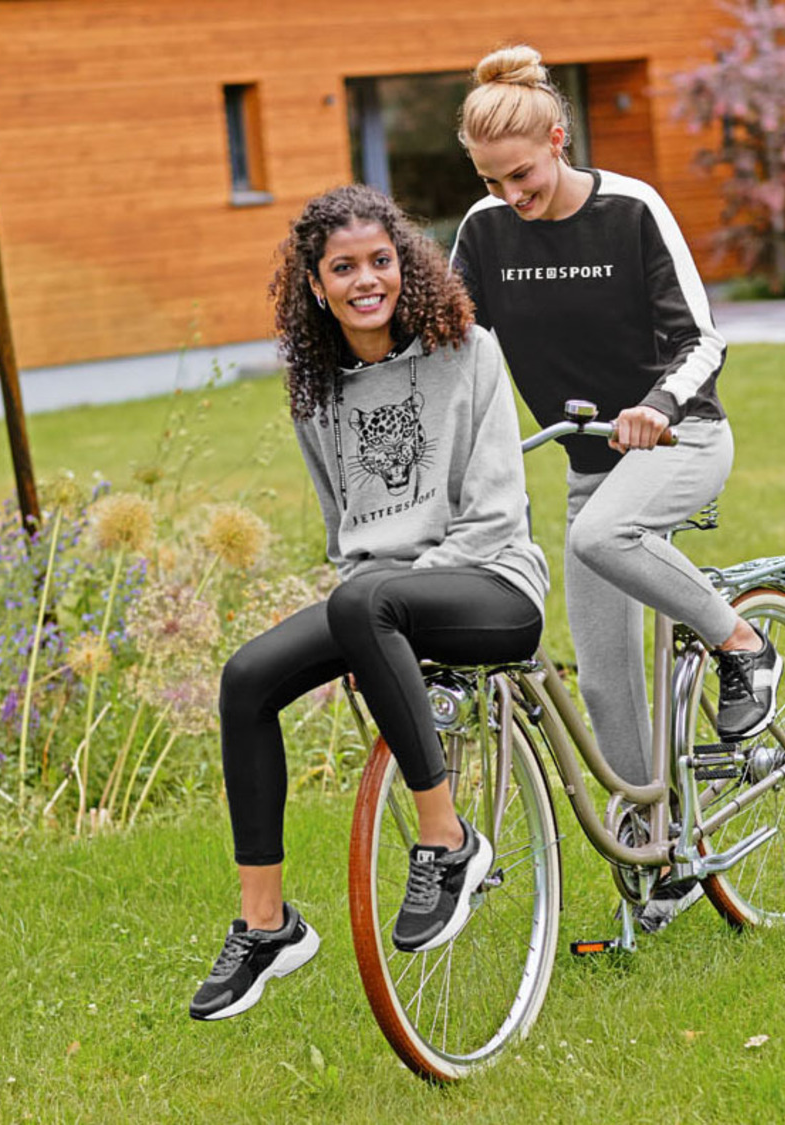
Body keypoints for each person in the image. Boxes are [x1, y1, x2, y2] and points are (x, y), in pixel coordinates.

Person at [190, 184, 550, 1021]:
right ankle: (266, 925)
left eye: (380, 261)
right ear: (316, 285)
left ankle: (447, 841)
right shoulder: (318, 388)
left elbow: (497, 514)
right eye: (344, 268)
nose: (366, 281)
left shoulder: (468, 351)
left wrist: (390, 607)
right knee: (246, 678)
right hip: (380, 604)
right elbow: (343, 529)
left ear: (404, 265)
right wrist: (381, 611)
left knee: (365, 603)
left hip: (491, 581)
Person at [451, 45, 780, 933]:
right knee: (603, 681)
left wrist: (656, 406)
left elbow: (703, 339)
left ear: (558, 139)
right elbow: (458, 346)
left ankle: (744, 643)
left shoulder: (631, 209)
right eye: (491, 180)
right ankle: (660, 854)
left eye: (522, 175)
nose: (511, 195)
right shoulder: (485, 230)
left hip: (683, 437)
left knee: (601, 537)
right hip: (590, 465)